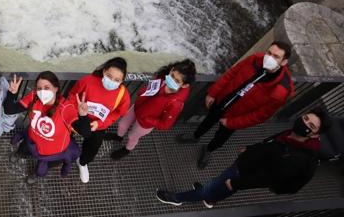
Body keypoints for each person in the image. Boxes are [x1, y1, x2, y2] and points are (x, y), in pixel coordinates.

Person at [157, 109, 331, 208]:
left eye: (311, 125)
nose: (304, 123)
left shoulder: (297, 158)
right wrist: (250, 149)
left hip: (243, 174)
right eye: (305, 118)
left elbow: (268, 178)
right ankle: (211, 198)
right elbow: (269, 143)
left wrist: (237, 183)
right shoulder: (292, 135)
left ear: (316, 134)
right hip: (245, 163)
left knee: (216, 186)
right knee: (218, 185)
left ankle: (179, 198)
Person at [176, 41, 295, 168]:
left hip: (236, 117)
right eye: (269, 53)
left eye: (276, 56)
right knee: (208, 120)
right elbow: (231, 73)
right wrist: (213, 93)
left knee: (221, 136)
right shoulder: (255, 59)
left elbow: (260, 115)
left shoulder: (280, 91)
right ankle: (195, 136)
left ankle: (209, 150)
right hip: (222, 101)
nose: (269, 58)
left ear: (284, 62)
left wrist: (233, 123)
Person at [3, 71, 92, 183]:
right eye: (39, 88)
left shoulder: (65, 108)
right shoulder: (34, 97)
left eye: (47, 87)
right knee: (23, 149)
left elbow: (86, 133)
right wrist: (12, 94)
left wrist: (83, 116)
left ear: (56, 88)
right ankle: (20, 154)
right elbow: (9, 109)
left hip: (52, 152)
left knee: (42, 169)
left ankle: (35, 175)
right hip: (32, 141)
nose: (42, 92)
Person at [108, 59, 196, 160]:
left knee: (133, 136)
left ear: (184, 85)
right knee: (122, 124)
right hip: (138, 107)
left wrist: (147, 119)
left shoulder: (176, 103)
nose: (171, 80)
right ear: (171, 70)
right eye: (172, 76)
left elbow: (165, 125)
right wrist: (142, 93)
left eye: (177, 81)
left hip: (145, 123)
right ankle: (118, 137)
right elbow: (147, 89)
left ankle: (127, 149)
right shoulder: (162, 78)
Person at [67, 57, 131, 183]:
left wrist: (101, 123)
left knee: (93, 148)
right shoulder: (87, 81)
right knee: (65, 138)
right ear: (104, 71)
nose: (111, 81)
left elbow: (118, 113)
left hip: (98, 125)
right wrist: (77, 110)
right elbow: (72, 95)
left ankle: (82, 162)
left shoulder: (123, 95)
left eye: (117, 80)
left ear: (122, 81)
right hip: (78, 117)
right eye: (109, 76)